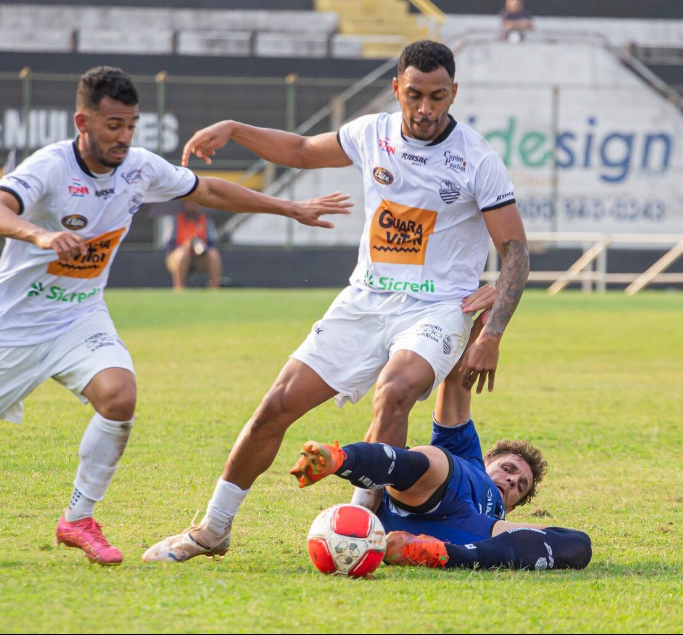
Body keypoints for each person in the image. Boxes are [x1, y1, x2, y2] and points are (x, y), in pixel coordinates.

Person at [0, 66, 352, 565]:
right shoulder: (50, 167)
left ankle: (78, 518)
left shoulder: (139, 168)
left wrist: (289, 208)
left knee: (119, 396)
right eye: (113, 125)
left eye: (131, 125)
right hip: (12, 326)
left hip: (79, 317)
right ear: (82, 122)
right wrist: (39, 235)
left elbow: (210, 191)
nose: (124, 136)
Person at [142, 40, 530, 564]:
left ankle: (358, 529)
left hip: (437, 307)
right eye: (414, 94)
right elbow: (301, 152)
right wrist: (234, 129)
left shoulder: (477, 159)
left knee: (395, 391)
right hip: (365, 300)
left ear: (453, 92)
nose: (425, 108)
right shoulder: (372, 133)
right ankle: (212, 530)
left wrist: (491, 335)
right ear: (397, 89)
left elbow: (515, 252)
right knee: (276, 407)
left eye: (438, 96)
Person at [289, 312, 592, 572]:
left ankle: (439, 554)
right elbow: (458, 379)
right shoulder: (469, 457)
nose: (513, 480)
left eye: (520, 486)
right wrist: (481, 324)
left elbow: (571, 542)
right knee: (433, 460)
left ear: (512, 508)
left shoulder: (495, 521)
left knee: (580, 546)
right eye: (509, 468)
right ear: (487, 462)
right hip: (421, 489)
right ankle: (338, 459)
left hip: (462, 530)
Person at [164, 199, 222, 290]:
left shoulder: (205, 219)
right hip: (178, 258)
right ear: (184, 204)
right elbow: (169, 244)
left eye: (195, 203)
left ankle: (214, 288)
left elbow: (212, 243)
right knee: (182, 253)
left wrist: (201, 248)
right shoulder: (176, 219)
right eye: (189, 203)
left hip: (199, 258)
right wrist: (185, 246)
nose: (192, 206)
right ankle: (179, 288)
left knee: (214, 254)